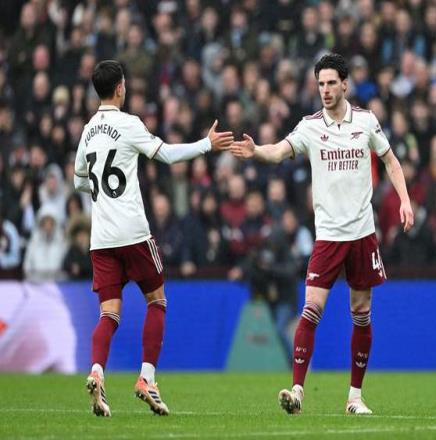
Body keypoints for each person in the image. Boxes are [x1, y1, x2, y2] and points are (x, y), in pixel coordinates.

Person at [231, 53, 414, 415]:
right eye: (320, 84)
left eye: (331, 83)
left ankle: (355, 397)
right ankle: (297, 390)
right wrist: (256, 152)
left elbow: (390, 160)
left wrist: (405, 200)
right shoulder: (310, 127)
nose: (325, 90)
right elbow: (279, 151)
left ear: (345, 84)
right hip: (328, 236)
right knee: (311, 309)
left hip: (362, 234)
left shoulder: (366, 121)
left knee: (361, 313)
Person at [74, 60, 233, 417]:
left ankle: (97, 371)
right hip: (132, 232)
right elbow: (167, 155)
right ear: (120, 88)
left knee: (109, 313)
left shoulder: (87, 131)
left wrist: (101, 193)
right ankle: (147, 378)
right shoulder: (129, 124)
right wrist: (206, 145)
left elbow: (78, 180)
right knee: (157, 301)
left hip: (101, 238)